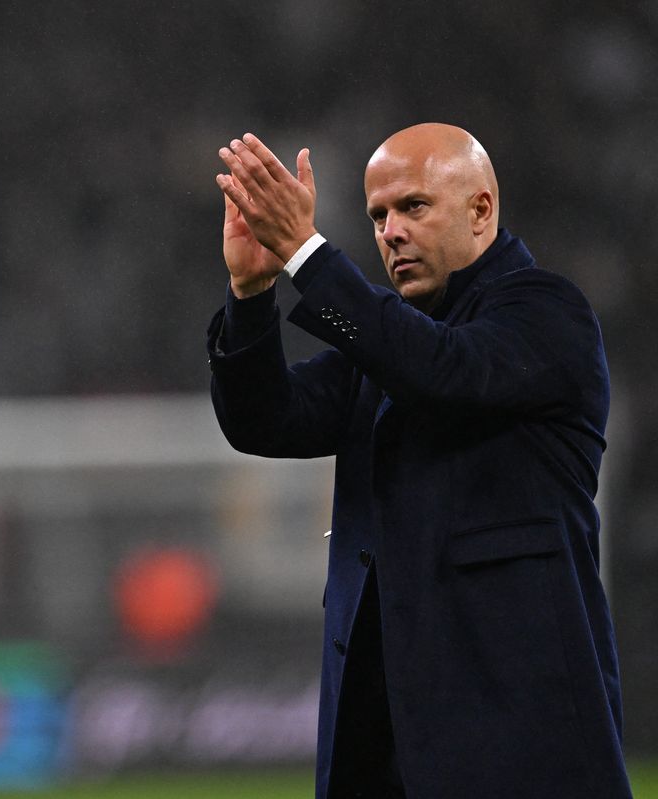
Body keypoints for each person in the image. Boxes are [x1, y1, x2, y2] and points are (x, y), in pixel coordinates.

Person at [206, 123, 632, 798]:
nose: (390, 231)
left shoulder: (547, 315)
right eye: (378, 215)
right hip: (385, 745)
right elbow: (265, 419)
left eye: (413, 206)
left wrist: (307, 253)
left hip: (519, 742)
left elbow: (437, 369)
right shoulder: (380, 350)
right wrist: (253, 291)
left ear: (481, 210)